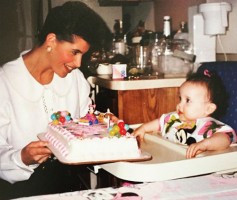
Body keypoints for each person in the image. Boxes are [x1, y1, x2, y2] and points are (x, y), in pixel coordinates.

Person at [0, 1, 111, 199]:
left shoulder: (75, 79)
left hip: (69, 186)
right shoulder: (5, 81)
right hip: (19, 191)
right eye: (74, 52)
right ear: (51, 40)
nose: (78, 63)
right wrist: (22, 157)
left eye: (82, 55)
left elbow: (86, 127)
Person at [133, 70, 237, 159]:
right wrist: (143, 128)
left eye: (187, 100)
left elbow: (225, 139)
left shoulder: (209, 126)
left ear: (208, 108)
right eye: (180, 99)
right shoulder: (174, 118)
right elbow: (159, 123)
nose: (179, 105)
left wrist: (205, 145)